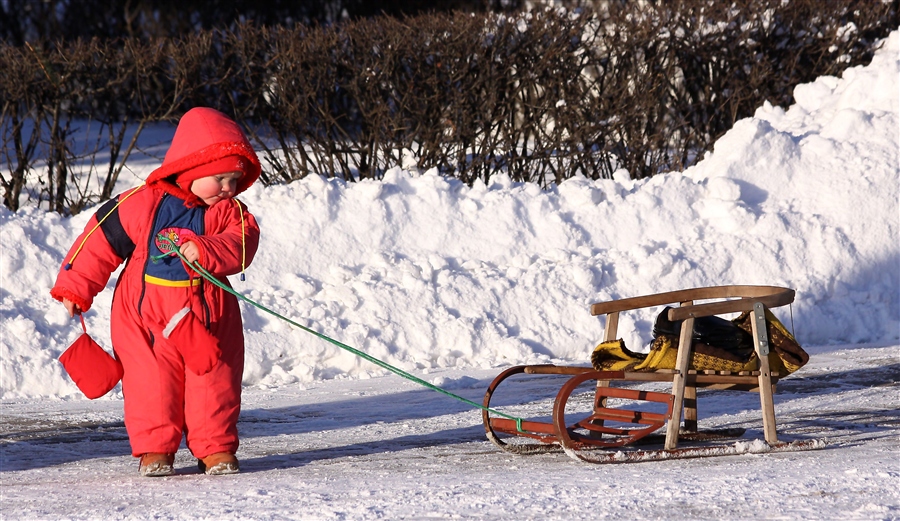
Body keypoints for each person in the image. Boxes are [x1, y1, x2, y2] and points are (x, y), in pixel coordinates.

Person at [51, 107, 262, 476]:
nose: (229, 188)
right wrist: (75, 285)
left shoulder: (228, 212)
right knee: (151, 383)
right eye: (220, 178)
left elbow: (244, 242)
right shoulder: (143, 203)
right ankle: (155, 449)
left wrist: (209, 249)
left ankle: (215, 448)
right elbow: (100, 240)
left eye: (235, 179)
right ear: (193, 171)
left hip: (208, 316)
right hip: (146, 320)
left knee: (214, 381)